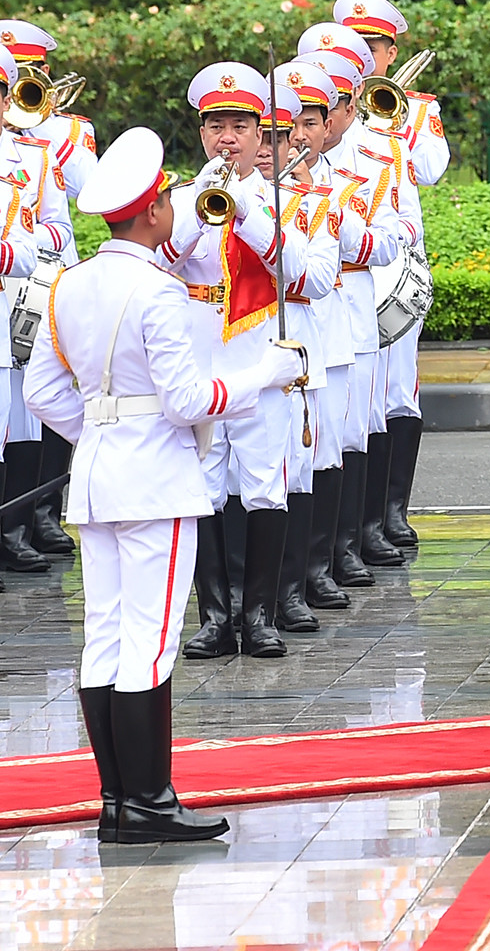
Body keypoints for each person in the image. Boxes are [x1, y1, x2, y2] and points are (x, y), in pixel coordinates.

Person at [24, 126, 304, 843]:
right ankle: (148, 799)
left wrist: (103, 434)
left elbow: (43, 393)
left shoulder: (69, 284)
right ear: (152, 212)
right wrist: (262, 376)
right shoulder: (156, 291)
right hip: (154, 479)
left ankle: (118, 800)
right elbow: (186, 400)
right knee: (148, 640)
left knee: (104, 637)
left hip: (96, 477)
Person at [163, 62, 310, 661]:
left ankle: (260, 615)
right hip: (201, 371)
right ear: (202, 134)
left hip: (261, 369)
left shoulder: (280, 200)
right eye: (216, 126)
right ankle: (215, 618)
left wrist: (245, 209)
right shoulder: (180, 198)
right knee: (206, 492)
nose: (228, 138)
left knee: (264, 491)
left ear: (260, 134)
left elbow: (298, 273)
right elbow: (165, 261)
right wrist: (203, 207)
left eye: (239, 127)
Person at [333, 0, 440, 553]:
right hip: (347, 270)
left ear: (389, 49)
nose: (361, 56)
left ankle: (390, 512)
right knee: (354, 402)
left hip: (395, 267)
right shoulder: (325, 122)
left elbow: (432, 169)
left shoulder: (412, 111)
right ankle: (356, 526)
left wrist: (402, 119)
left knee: (397, 392)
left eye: (370, 47)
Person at [0, 20, 95, 565]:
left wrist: (16, 247)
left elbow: (62, 227)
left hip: (22, 299)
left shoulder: (37, 154)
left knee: (26, 414)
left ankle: (19, 527)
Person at [265, 61, 341, 634]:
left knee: (296, 471)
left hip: (296, 351)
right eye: (254, 135)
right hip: (234, 355)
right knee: (235, 483)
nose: (266, 149)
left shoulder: (312, 202)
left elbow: (316, 278)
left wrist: (270, 238)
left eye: (275, 136)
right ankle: (240, 604)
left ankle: (291, 590)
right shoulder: (201, 198)